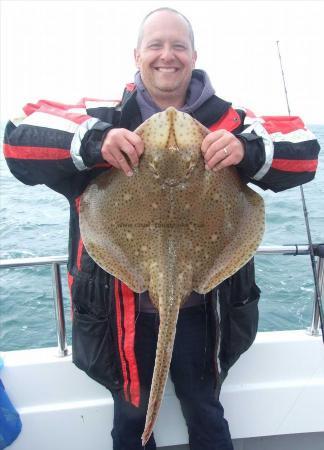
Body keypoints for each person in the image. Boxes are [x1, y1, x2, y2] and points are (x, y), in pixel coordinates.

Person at [3, 7, 320, 450]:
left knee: (205, 412)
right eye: (155, 44)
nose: (166, 55)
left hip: (206, 314)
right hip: (120, 318)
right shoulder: (103, 117)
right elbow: (17, 134)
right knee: (130, 424)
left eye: (177, 45)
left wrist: (247, 148)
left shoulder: (232, 122)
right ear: (137, 54)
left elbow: (306, 149)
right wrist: (96, 143)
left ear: (193, 55)